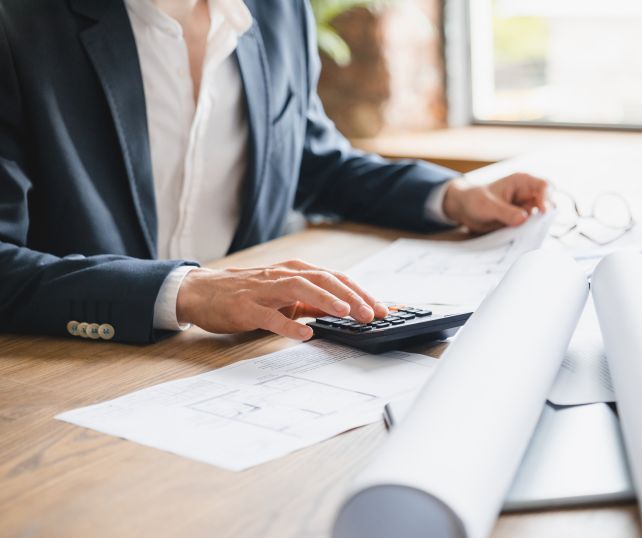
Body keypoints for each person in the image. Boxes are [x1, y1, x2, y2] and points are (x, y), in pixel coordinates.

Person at [0, 0, 548, 343]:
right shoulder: (17, 24)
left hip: (242, 363)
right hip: (68, 370)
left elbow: (312, 160)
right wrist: (186, 291)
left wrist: (451, 197)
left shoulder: (280, 11)